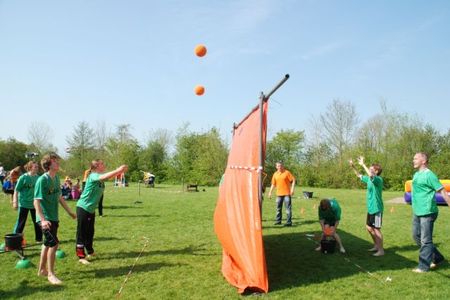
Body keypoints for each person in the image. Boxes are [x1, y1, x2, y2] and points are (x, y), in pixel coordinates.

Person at [34, 153, 76, 285]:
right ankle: (51, 274)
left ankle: (41, 270)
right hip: (45, 219)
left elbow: (59, 197)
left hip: (54, 217)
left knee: (47, 243)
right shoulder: (42, 180)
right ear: (48, 164)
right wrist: (42, 220)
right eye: (54, 161)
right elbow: (36, 201)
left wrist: (70, 212)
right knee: (54, 243)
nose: (58, 163)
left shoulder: (57, 178)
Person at [76, 160, 127, 264]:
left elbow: (108, 177)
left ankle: (90, 251)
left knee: (90, 232)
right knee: (82, 232)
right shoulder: (93, 175)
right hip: (83, 207)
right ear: (96, 166)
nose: (104, 165)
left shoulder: (99, 177)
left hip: (90, 209)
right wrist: (118, 170)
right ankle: (81, 256)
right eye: (102, 164)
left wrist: (120, 172)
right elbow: (104, 177)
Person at [410, 152, 450, 273]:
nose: (413, 160)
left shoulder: (430, 175)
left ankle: (423, 266)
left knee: (425, 240)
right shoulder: (416, 174)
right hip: (417, 211)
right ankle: (437, 257)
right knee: (416, 236)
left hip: (427, 211)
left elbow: (442, 191)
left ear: (423, 160)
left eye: (416, 159)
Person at [349, 157, 384, 256]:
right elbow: (359, 175)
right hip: (371, 208)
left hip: (377, 208)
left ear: (376, 171)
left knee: (377, 229)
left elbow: (371, 176)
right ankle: (376, 245)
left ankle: (381, 251)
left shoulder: (378, 180)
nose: (369, 170)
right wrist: (353, 166)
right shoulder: (369, 179)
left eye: (371, 168)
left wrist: (363, 164)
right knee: (369, 227)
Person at [12, 161, 42, 243]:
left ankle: (39, 240)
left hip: (34, 204)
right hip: (23, 203)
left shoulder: (38, 178)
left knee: (37, 222)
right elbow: (16, 190)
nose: (37, 168)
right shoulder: (23, 178)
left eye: (37, 167)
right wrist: (15, 201)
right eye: (35, 167)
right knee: (21, 223)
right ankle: (17, 241)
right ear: (30, 168)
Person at [268, 162, 295, 226]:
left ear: (283, 166)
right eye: (278, 166)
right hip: (278, 194)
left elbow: (293, 180)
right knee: (278, 208)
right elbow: (273, 184)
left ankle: (288, 222)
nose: (279, 167)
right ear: (276, 167)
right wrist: (270, 192)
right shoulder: (275, 174)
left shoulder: (287, 172)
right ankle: (278, 221)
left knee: (288, 209)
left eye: (281, 166)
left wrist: (292, 189)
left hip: (287, 194)